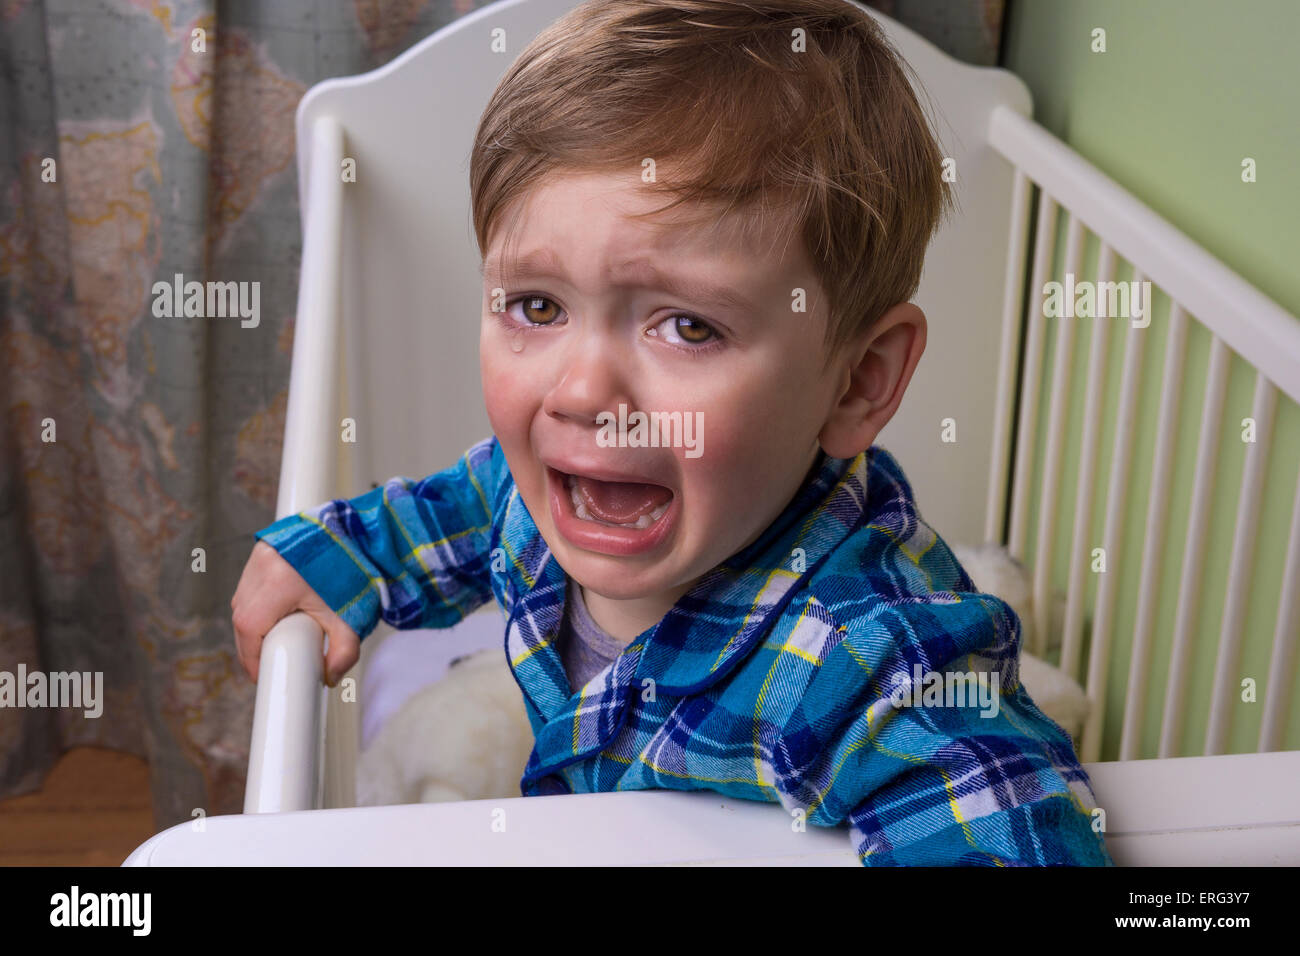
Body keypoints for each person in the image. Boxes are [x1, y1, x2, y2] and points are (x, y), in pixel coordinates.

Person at [232, 0, 1113, 866]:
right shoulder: (536, 492)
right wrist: (334, 551)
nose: (583, 392)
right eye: (537, 306)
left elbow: (1000, 818)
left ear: (858, 381)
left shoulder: (867, 658)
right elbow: (449, 513)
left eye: (687, 327)